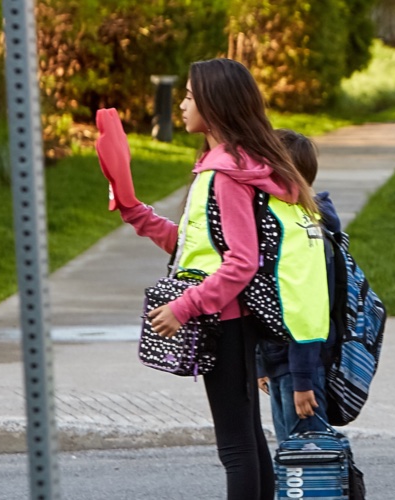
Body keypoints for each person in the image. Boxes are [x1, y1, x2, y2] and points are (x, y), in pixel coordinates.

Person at [97, 57, 323, 500]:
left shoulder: (226, 174)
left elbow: (241, 261)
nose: (181, 104)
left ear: (214, 105)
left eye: (187, 95)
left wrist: (184, 308)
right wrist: (134, 211)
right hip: (227, 318)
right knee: (248, 441)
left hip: (225, 319)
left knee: (236, 448)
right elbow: (198, 248)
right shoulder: (224, 165)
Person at [257, 129, 339, 444]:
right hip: (281, 361)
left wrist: (303, 379)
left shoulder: (300, 226)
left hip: (300, 364)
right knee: (291, 458)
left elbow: (306, 304)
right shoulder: (287, 216)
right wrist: (261, 364)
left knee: (307, 461)